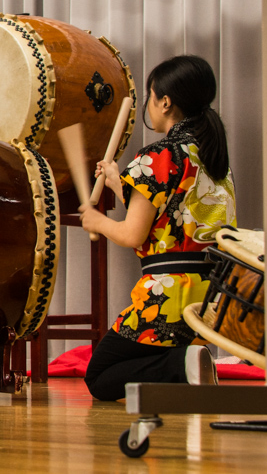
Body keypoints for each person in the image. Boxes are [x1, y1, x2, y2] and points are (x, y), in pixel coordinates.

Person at [80, 55, 237, 402]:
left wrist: (97, 222)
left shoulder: (156, 157)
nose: (149, 106)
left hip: (167, 296)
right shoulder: (214, 160)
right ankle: (187, 362)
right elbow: (170, 211)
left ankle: (182, 366)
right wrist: (118, 182)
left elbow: (133, 234)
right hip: (210, 296)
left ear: (165, 102)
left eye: (151, 96)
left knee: (100, 376)